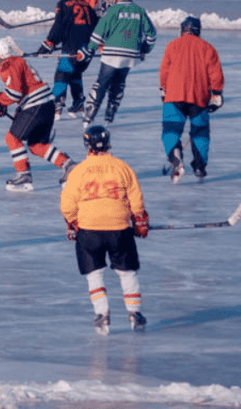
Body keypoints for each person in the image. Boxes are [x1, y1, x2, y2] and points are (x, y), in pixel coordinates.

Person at [60, 125, 148, 335]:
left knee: (94, 275)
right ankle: (134, 313)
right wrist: (139, 220)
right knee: (127, 273)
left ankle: (102, 314)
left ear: (86, 145)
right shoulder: (122, 167)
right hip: (119, 228)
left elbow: (67, 204)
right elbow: (136, 199)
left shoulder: (78, 171)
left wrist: (73, 222)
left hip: (89, 231)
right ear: (108, 143)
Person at [0, 36, 76, 192]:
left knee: (12, 138)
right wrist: (17, 110)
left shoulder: (9, 65)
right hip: (46, 105)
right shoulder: (19, 62)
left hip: (36, 105)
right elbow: (25, 89)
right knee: (37, 146)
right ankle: (68, 165)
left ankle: (23, 174)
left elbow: (15, 93)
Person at [79, 0, 157, 127]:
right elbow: (151, 35)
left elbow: (98, 33)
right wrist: (144, 49)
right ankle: (110, 114)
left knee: (101, 84)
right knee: (119, 83)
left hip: (112, 54)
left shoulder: (113, 11)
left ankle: (89, 115)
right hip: (131, 56)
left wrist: (89, 49)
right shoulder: (140, 11)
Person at [159, 16, 225, 182]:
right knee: (200, 133)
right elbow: (215, 74)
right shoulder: (208, 48)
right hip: (199, 97)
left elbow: (164, 71)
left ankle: (175, 154)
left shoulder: (172, 45)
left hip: (173, 95)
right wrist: (216, 94)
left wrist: (163, 90)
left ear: (182, 30)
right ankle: (199, 166)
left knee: (171, 130)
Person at [34, 0, 97, 120]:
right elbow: (96, 24)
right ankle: (78, 102)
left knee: (62, 74)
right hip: (87, 51)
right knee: (75, 73)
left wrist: (48, 44)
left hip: (72, 49)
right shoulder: (85, 3)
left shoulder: (62, 3)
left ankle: (57, 104)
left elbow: (58, 27)